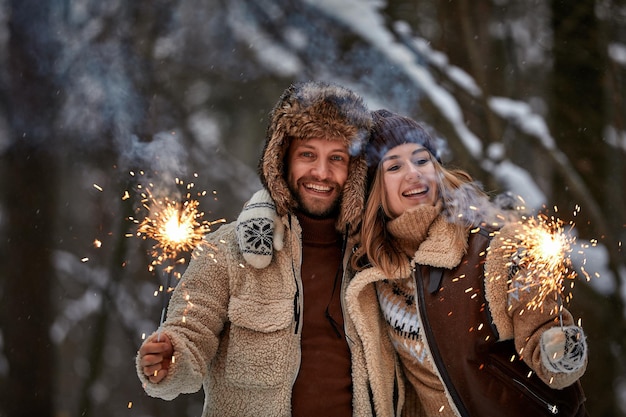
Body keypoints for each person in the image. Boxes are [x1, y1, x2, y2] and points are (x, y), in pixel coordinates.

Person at [136, 81, 400, 417]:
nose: (321, 172)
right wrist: (171, 358)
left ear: (355, 170)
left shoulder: (375, 256)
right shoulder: (226, 248)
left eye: (337, 158)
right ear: (282, 161)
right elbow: (191, 331)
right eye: (308, 155)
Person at [346, 109, 589, 417]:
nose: (414, 173)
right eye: (394, 166)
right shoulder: (375, 277)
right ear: (374, 191)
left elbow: (539, 324)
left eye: (422, 160)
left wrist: (557, 348)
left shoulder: (490, 247)